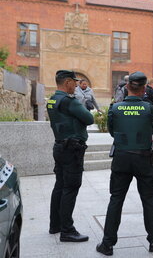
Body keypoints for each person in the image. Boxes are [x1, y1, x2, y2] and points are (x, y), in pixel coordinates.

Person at [96, 71, 153, 256]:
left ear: (127, 87)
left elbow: (111, 131)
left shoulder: (115, 108)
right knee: (148, 199)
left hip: (121, 158)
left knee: (116, 199)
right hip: (143, 159)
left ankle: (107, 244)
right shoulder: (149, 108)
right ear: (143, 89)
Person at [47, 70, 93, 242]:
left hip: (59, 146)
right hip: (72, 149)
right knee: (70, 187)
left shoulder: (52, 100)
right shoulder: (68, 101)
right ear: (67, 82)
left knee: (60, 185)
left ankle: (55, 225)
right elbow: (89, 118)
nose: (75, 85)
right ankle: (67, 230)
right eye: (74, 82)